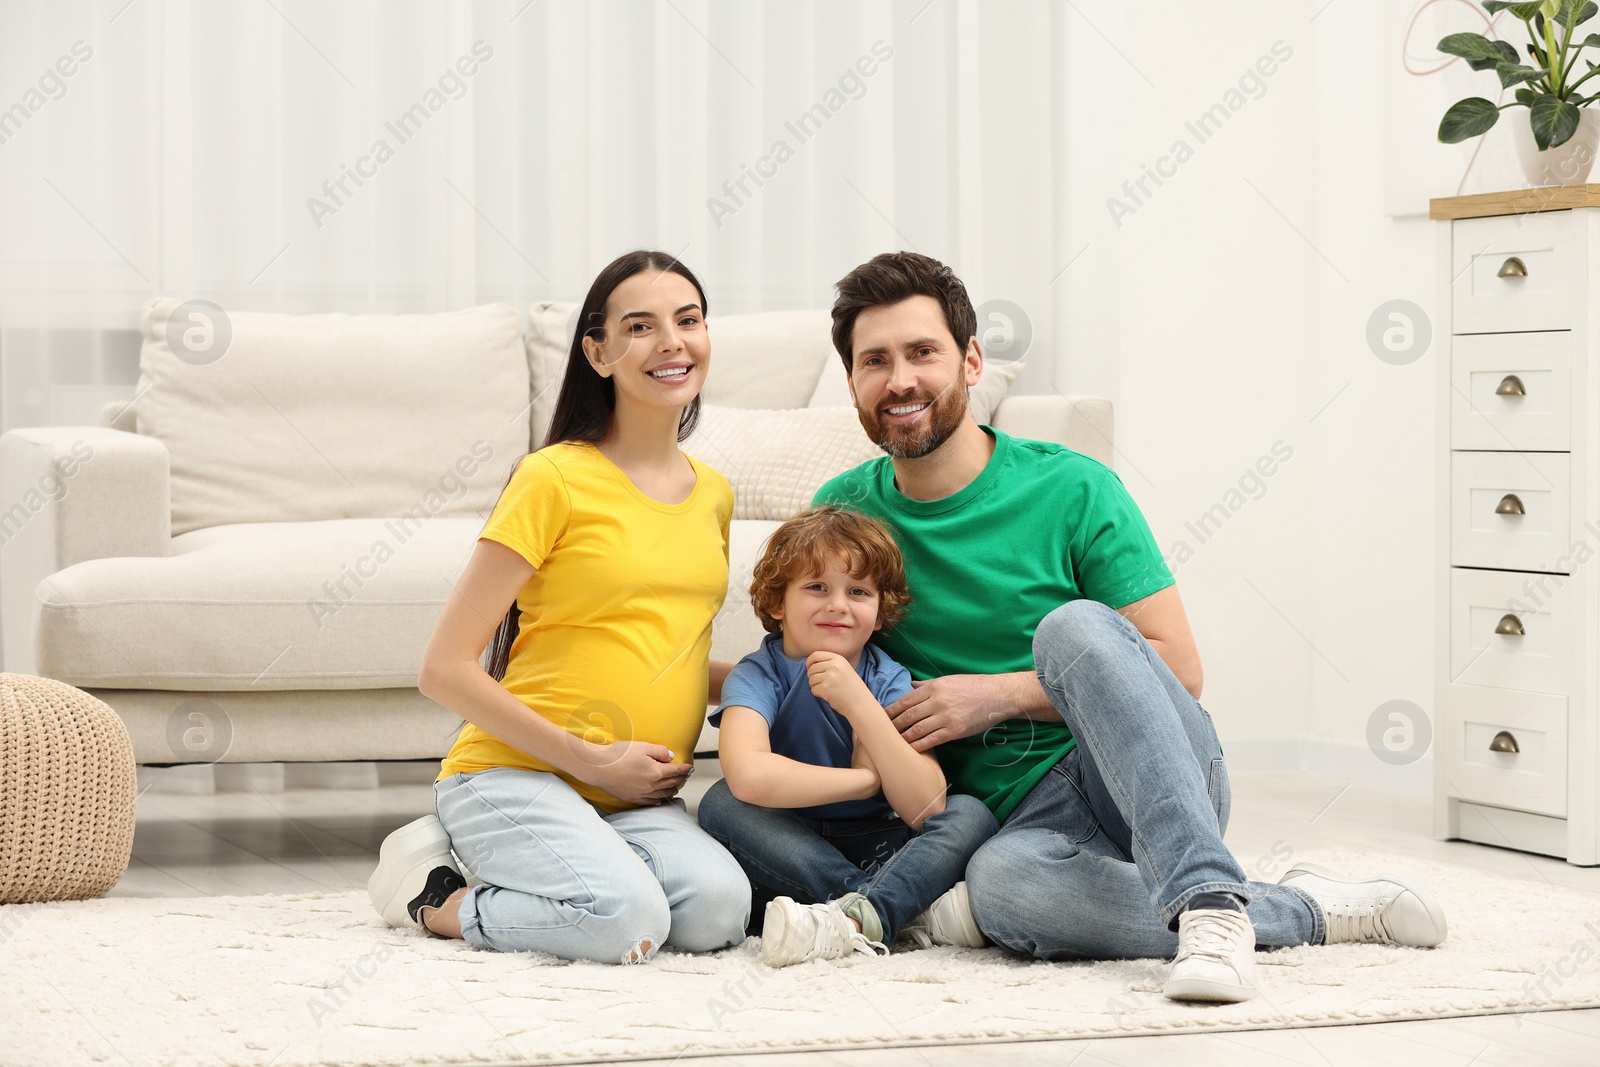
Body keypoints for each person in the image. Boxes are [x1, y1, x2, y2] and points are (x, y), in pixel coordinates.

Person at [811, 251, 1448, 1003]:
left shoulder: (1071, 486)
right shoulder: (841, 514)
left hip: (1139, 773)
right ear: (851, 382)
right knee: (1002, 892)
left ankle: (1209, 903)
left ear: (971, 360)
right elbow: (804, 664)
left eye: (923, 353)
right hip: (1019, 826)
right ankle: (1301, 908)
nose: (901, 380)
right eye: (874, 361)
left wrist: (1000, 696)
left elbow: (1179, 669)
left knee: (1074, 627)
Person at [366, 250, 750, 964]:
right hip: (512, 772)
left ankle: (567, 865)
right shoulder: (553, 478)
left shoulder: (715, 493)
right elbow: (443, 668)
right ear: (598, 353)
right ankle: (437, 895)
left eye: (688, 319)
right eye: (641, 326)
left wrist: (790, 679)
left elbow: (669, 648)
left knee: (720, 913)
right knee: (624, 920)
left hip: (637, 800)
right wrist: (593, 760)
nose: (671, 340)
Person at [697, 506, 998, 967]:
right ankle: (901, 909)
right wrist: (863, 780)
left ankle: (857, 915)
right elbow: (748, 776)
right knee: (721, 803)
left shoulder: (887, 678)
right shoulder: (759, 675)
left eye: (858, 592)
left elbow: (927, 806)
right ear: (778, 603)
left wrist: (859, 703)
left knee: (969, 813)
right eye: (817, 587)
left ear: (879, 614)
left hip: (885, 839)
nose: (838, 604)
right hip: (791, 840)